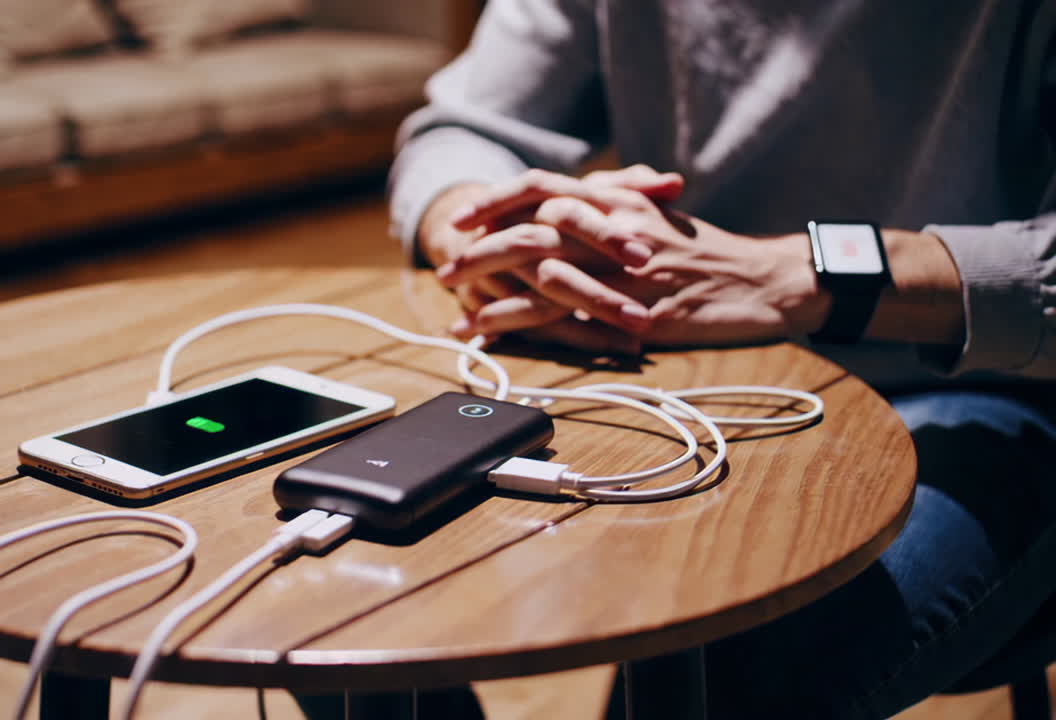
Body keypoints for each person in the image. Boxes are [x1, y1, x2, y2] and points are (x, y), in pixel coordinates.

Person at [306, 0, 1056, 718]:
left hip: (985, 383)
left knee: (733, 658)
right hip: (670, 365)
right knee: (323, 578)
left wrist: (794, 276)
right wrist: (503, 232)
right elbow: (460, 130)